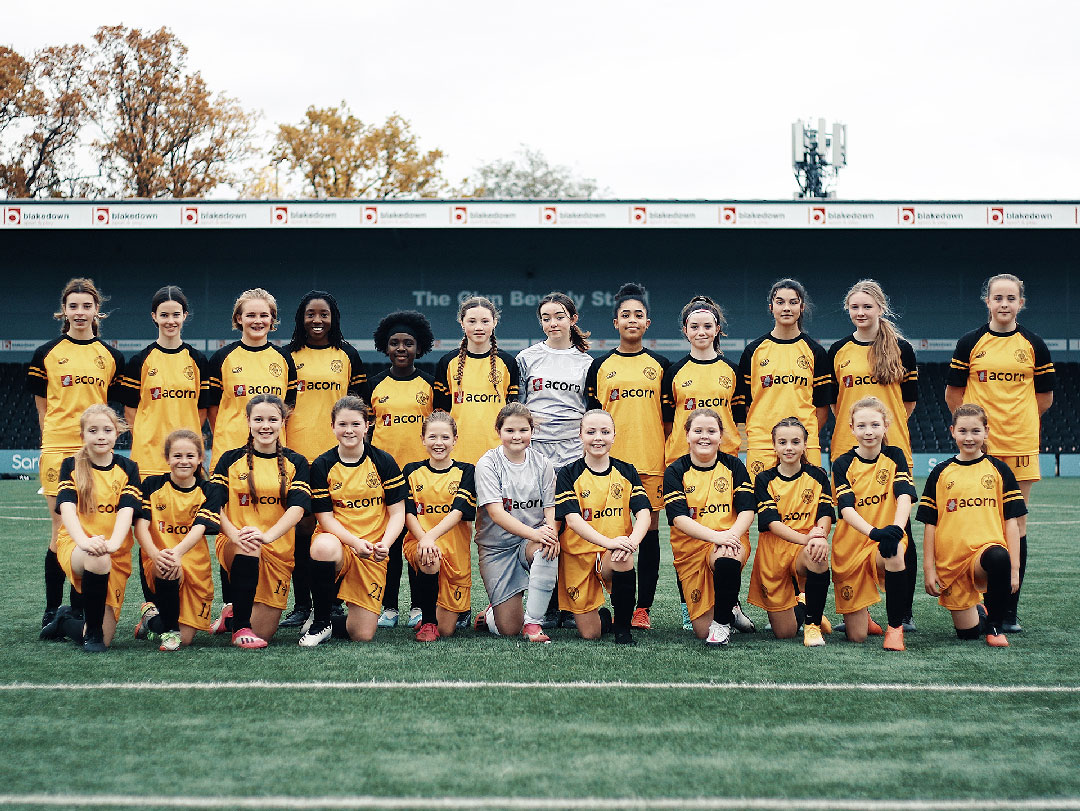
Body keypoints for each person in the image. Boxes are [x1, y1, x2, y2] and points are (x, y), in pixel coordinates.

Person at [945, 273, 1054, 633]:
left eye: (1011, 298)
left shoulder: (1034, 345)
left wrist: (1016, 423)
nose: (1004, 304)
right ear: (987, 301)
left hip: (1020, 445)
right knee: (976, 522)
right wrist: (976, 432)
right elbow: (954, 396)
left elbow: (1044, 398)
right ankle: (977, 600)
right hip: (981, 447)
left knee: (1016, 524)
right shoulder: (970, 343)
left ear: (1021, 302)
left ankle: (1008, 611)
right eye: (998, 298)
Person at [28, 278, 124, 635]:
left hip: (95, 451)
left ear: (97, 310)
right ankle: (53, 609)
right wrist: (51, 442)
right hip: (58, 448)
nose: (80, 313)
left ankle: (80, 609)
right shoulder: (47, 353)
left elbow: (112, 408)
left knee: (91, 527)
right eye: (74, 306)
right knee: (60, 529)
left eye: (87, 306)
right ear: (63, 311)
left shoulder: (110, 356)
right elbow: (42, 407)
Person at [828, 279, 919, 631]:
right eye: (855, 307)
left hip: (892, 449)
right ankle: (859, 608)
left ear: (880, 308)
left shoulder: (902, 349)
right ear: (848, 311)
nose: (861, 312)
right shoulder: (837, 350)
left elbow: (908, 402)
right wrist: (859, 433)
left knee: (901, 528)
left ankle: (903, 612)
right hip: (848, 452)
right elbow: (836, 405)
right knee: (852, 530)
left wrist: (883, 432)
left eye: (867, 306)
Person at [584, 282, 669, 630]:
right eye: (625, 315)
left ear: (647, 323)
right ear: (615, 322)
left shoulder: (662, 365)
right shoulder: (600, 366)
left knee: (647, 538)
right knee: (609, 534)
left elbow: (668, 419)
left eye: (638, 315)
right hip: (609, 469)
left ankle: (641, 609)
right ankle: (604, 603)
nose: (631, 320)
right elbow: (592, 419)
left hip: (650, 464)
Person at [279, 291, 365, 630]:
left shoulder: (347, 355)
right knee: (301, 530)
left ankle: (334, 604)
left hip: (337, 458)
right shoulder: (286, 356)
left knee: (338, 529)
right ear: (301, 318)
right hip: (298, 456)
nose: (317, 320)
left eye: (324, 314)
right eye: (311, 314)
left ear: (334, 318)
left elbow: (357, 408)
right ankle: (301, 605)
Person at [120, 285, 210, 605]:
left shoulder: (197, 360)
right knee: (150, 534)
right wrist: (148, 436)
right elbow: (131, 410)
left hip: (185, 461)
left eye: (176, 315)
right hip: (147, 460)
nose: (170, 320)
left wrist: (184, 449)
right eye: (164, 315)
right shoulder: (140, 361)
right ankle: (151, 606)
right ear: (154, 317)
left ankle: (181, 602)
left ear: (185, 316)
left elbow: (201, 411)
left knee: (186, 528)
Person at [661, 294, 746, 630]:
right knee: (685, 537)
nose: (701, 331)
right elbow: (668, 419)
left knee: (730, 532)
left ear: (717, 329)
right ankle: (689, 606)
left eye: (707, 325)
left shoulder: (732, 371)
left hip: (723, 462)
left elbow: (738, 417)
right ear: (685, 330)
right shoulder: (674, 371)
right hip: (683, 460)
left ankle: (731, 605)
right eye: (694, 326)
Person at [303, 396, 408, 646]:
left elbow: (397, 513)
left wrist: (385, 543)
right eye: (342, 424)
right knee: (323, 546)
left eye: (355, 424)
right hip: (341, 544)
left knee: (362, 634)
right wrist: (353, 543)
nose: (348, 430)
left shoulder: (384, 461)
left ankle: (331, 622)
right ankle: (321, 621)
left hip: (371, 550)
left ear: (367, 425)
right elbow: (325, 518)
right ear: (332, 427)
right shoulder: (322, 464)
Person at [916, 404, 1024, 647]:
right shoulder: (941, 472)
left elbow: (1012, 522)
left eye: (975, 431)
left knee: (998, 557)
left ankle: (996, 628)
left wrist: (1014, 569)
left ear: (986, 432)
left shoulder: (999, 469)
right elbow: (930, 525)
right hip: (951, 563)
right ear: (952, 431)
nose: (969, 438)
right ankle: (982, 614)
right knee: (967, 634)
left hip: (983, 555)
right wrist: (929, 569)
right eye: (962, 431)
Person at [210, 394, 309, 648]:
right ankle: (240, 627)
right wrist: (236, 535)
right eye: (259, 419)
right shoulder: (229, 460)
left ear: (283, 422)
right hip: (237, 543)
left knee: (264, 632)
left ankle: (232, 614)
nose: (266, 425)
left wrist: (267, 537)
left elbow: (297, 509)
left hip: (277, 549)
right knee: (249, 544)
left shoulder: (296, 462)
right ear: (248, 421)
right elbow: (214, 506)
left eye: (273, 419)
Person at [38, 405, 140, 652]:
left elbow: (126, 512)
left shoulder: (128, 467)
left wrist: (113, 544)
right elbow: (67, 511)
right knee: (98, 559)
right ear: (83, 435)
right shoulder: (71, 465)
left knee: (108, 638)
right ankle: (91, 632)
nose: (101, 436)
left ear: (117, 433)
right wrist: (85, 542)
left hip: (113, 549)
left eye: (107, 430)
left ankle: (64, 622)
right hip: (76, 546)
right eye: (93, 430)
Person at [554, 409, 650, 645]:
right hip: (578, 556)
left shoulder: (626, 471)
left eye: (605, 432)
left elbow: (644, 513)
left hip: (612, 553)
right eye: (591, 432)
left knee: (622, 556)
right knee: (591, 634)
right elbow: (573, 520)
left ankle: (623, 630)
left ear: (614, 436)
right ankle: (606, 618)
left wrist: (631, 542)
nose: (598, 437)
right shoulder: (568, 474)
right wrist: (610, 541)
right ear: (580, 436)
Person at [663, 408, 756, 648]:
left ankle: (723, 623)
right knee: (701, 631)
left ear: (721, 435)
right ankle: (731, 609)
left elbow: (747, 510)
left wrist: (730, 536)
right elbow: (678, 519)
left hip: (730, 541)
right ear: (687, 435)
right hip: (691, 548)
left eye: (711, 431)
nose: (704, 436)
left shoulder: (734, 465)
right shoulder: (675, 471)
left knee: (727, 555)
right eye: (698, 431)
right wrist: (717, 536)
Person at [830, 397, 917, 651]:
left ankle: (895, 628)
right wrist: (874, 532)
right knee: (856, 637)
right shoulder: (843, 463)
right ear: (852, 429)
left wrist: (896, 531)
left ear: (886, 426)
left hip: (885, 539)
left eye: (875, 425)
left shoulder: (895, 456)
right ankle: (863, 616)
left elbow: (904, 495)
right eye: (862, 426)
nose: (869, 431)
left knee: (895, 551)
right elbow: (845, 508)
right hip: (851, 547)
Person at [368, 309, 436, 630]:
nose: (401, 348)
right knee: (390, 544)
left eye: (408, 343)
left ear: (419, 347)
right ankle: (389, 606)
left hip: (420, 477)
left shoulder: (432, 385)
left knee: (417, 539)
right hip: (384, 476)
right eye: (394, 343)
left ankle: (420, 606)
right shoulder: (374, 385)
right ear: (385, 346)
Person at [473, 403, 559, 643]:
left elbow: (550, 507)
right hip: (496, 549)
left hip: (529, 542)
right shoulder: (488, 464)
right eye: (510, 430)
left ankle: (533, 623)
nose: (517, 436)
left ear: (532, 431)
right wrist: (537, 534)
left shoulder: (542, 463)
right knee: (508, 629)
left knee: (547, 550)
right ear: (498, 431)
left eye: (523, 430)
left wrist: (549, 533)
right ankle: (493, 612)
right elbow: (497, 514)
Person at [749, 417, 835, 647]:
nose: (789, 447)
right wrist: (807, 537)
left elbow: (825, 514)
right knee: (784, 633)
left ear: (805, 445)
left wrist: (818, 536)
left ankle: (813, 624)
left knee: (817, 554)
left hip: (804, 549)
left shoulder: (817, 475)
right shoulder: (764, 479)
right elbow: (772, 523)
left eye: (795, 441)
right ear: (775, 446)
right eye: (783, 442)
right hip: (774, 553)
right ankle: (806, 606)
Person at [133, 429, 221, 651]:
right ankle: (170, 632)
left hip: (194, 564)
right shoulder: (152, 486)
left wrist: (177, 552)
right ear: (167, 458)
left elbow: (199, 528)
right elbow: (141, 526)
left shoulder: (209, 491)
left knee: (188, 638)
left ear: (200, 458)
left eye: (190, 456)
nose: (184, 461)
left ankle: (151, 618)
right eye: (178, 456)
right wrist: (156, 554)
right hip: (159, 560)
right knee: (168, 566)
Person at [738, 279, 831, 481]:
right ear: (771, 307)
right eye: (780, 302)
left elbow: (822, 408)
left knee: (807, 505)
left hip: (804, 444)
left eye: (793, 302)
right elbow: (746, 403)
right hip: (763, 443)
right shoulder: (753, 351)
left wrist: (802, 437)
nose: (786, 308)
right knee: (762, 505)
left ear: (802, 307)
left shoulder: (815, 352)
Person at [401, 411, 477, 641]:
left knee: (448, 630)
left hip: (453, 551)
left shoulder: (466, 471)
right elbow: (408, 512)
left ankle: (436, 617)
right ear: (423, 439)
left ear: (455, 440)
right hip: (420, 544)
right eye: (432, 437)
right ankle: (428, 623)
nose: (438, 443)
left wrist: (429, 537)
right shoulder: (411, 471)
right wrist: (424, 539)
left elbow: (458, 512)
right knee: (429, 557)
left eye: (445, 437)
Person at [205, 288, 297, 468]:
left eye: (264, 315)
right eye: (251, 315)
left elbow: (289, 409)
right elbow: (213, 409)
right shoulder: (222, 357)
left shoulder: (285, 359)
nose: (258, 321)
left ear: (272, 319)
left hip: (274, 453)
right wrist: (228, 435)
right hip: (230, 452)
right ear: (239, 318)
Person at [433, 296, 520, 465]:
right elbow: (440, 415)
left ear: (494, 322)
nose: (479, 327)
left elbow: (514, 414)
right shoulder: (448, 362)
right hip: (457, 456)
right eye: (472, 321)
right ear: (462, 322)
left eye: (485, 321)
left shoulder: (508, 363)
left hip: (499, 456)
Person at [517, 292, 593, 468]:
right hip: (534, 449)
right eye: (546, 319)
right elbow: (516, 406)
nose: (553, 323)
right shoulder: (526, 358)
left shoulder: (587, 363)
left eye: (559, 317)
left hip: (574, 449)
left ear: (573, 319)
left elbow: (590, 409)